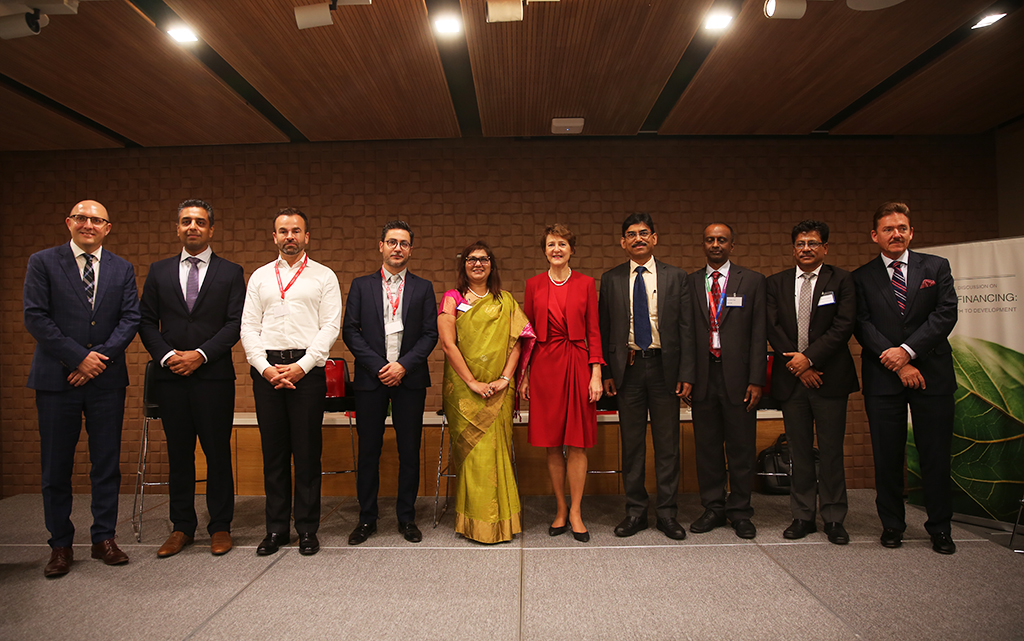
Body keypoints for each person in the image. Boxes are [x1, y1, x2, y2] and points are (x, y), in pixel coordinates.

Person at [24, 200, 140, 577]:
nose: (89, 224)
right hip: (56, 381)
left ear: (108, 227)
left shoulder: (122, 268)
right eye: (82, 218)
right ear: (69, 223)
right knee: (56, 467)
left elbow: (129, 319)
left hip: (105, 380)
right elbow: (36, 316)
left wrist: (97, 360)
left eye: (97, 220)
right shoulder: (42, 262)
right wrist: (77, 358)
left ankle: (104, 537)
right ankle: (59, 545)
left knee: (105, 463)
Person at [139, 199, 245, 558]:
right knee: (179, 455)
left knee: (217, 455)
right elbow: (145, 321)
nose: (193, 227)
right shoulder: (159, 271)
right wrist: (169, 357)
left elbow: (235, 324)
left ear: (211, 229)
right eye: (186, 221)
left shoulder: (231, 272)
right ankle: (181, 526)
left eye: (200, 222)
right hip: (171, 379)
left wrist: (200, 355)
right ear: (177, 227)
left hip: (213, 377)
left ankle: (220, 527)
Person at [853, 201, 958, 554]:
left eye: (901, 228)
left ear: (911, 232)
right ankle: (893, 526)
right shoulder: (861, 277)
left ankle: (940, 528)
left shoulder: (936, 267)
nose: (895, 234)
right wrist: (897, 362)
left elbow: (945, 314)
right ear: (874, 235)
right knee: (886, 455)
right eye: (887, 229)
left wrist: (909, 352)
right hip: (883, 377)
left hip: (933, 374)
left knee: (935, 454)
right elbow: (862, 325)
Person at [240, 208, 342, 556]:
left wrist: (301, 366)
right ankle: (276, 529)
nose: (289, 236)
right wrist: (265, 368)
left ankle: (308, 528)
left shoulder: (324, 276)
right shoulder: (260, 277)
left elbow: (330, 327)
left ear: (307, 236)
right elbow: (248, 328)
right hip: (267, 371)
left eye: (296, 231)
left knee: (308, 453)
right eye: (282, 231)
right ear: (274, 237)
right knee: (275, 454)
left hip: (307, 372)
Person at [599, 213, 694, 541]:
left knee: (667, 444)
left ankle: (667, 513)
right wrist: (608, 372)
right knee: (633, 444)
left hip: (665, 369)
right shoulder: (610, 279)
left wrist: (686, 373)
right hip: (628, 368)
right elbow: (604, 329)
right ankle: (636, 511)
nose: (637, 239)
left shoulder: (676, 277)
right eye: (630, 235)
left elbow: (687, 329)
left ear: (654, 238)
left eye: (643, 233)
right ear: (622, 242)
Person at [342, 221, 438, 545]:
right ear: (380, 246)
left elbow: (430, 334)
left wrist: (402, 367)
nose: (398, 248)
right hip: (371, 381)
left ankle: (406, 518)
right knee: (369, 451)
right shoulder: (360, 285)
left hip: (409, 380)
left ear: (411, 249)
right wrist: (382, 366)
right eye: (392, 242)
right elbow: (350, 332)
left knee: (409, 451)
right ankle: (367, 518)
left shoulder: (423, 288)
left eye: (404, 243)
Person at [766, 220, 859, 545]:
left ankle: (833, 517)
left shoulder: (842, 280)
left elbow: (843, 326)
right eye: (801, 244)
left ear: (825, 248)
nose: (806, 249)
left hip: (829, 380)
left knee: (831, 451)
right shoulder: (775, 283)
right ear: (793, 248)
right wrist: (799, 365)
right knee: (800, 451)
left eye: (813, 243)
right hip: (793, 381)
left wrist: (810, 359)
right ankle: (803, 515)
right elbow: (772, 327)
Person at [438, 241, 534, 544]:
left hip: (498, 391)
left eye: (483, 259)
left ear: (492, 264)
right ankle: (473, 525)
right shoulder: (452, 299)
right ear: (463, 264)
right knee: (474, 456)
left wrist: (506, 378)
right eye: (471, 259)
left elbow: (518, 340)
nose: (477, 264)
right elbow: (448, 344)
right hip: (464, 392)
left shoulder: (505, 300)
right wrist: (472, 383)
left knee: (497, 452)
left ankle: (502, 523)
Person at [520, 224, 604, 543]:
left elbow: (594, 331)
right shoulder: (533, 285)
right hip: (544, 367)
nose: (557, 249)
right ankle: (559, 508)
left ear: (572, 249)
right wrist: (525, 374)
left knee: (577, 441)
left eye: (563, 244)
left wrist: (596, 373)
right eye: (552, 244)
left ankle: (577, 512)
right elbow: (526, 336)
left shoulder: (585, 283)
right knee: (553, 441)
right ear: (544, 250)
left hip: (579, 364)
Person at [686, 222, 766, 539]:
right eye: (710, 240)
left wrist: (757, 379)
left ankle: (741, 511)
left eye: (722, 240)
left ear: (732, 245)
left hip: (740, 378)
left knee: (741, 448)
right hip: (704, 377)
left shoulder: (753, 282)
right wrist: (687, 377)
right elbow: (686, 333)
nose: (715, 244)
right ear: (703, 244)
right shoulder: (690, 283)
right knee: (706, 448)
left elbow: (760, 335)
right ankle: (714, 508)